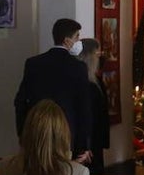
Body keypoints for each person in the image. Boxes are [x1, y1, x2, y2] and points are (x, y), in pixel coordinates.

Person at [14, 18, 92, 163]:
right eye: (77, 37)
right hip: (67, 135)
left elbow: (20, 101)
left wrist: (23, 133)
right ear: (67, 40)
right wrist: (83, 146)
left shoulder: (33, 63)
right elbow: (83, 108)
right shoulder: (78, 67)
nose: (79, 41)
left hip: (37, 132)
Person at [77, 38, 110, 175]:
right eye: (97, 54)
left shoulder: (95, 80)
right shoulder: (84, 82)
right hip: (87, 142)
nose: (99, 58)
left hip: (95, 139)